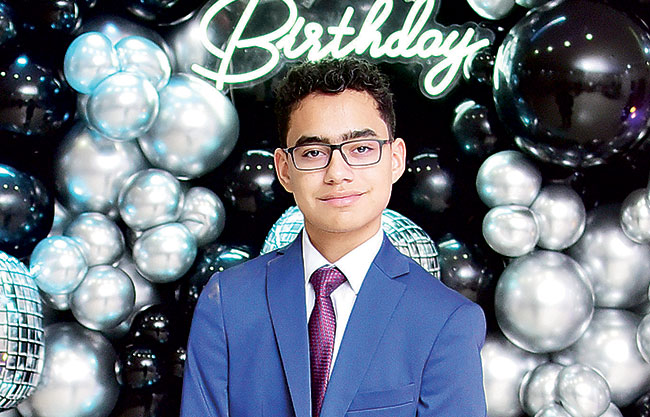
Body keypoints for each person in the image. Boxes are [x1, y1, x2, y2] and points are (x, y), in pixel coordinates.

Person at [180, 57, 487, 417]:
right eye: (313, 153)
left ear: (395, 159)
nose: (337, 173)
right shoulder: (227, 302)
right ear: (284, 170)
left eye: (361, 149)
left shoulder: (446, 320)